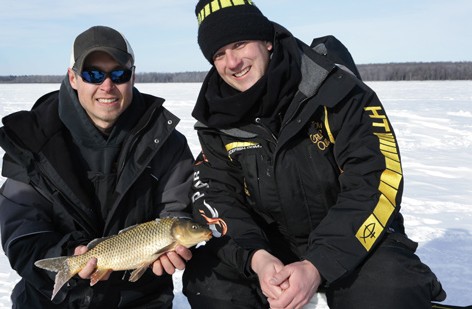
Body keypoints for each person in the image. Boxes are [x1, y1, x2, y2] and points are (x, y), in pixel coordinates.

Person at [182, 1, 447, 308]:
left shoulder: (339, 92)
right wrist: (257, 258)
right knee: (209, 279)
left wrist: (317, 264)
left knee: (390, 285)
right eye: (218, 54)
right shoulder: (217, 121)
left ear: (267, 41)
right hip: (270, 247)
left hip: (352, 241)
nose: (232, 62)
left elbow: (375, 181)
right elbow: (216, 196)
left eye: (239, 44)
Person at [0, 26, 194, 308]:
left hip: (139, 300)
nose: (107, 86)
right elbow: (23, 234)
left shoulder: (168, 144)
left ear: (132, 76)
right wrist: (71, 256)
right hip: (52, 300)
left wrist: (170, 250)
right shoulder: (32, 142)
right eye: (94, 74)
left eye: (119, 74)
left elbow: (177, 211)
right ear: (73, 78)